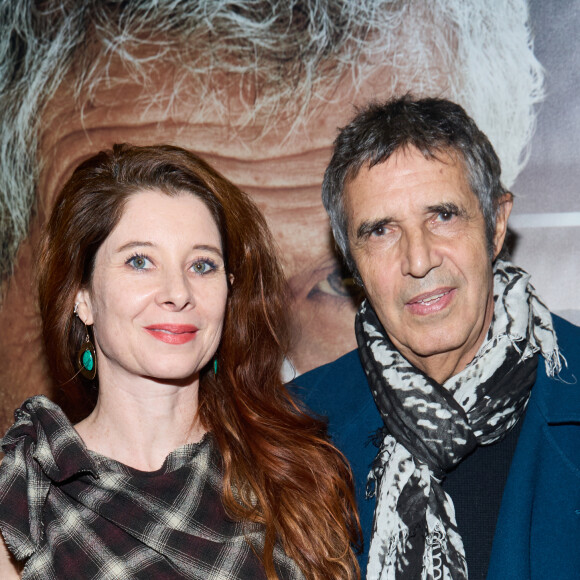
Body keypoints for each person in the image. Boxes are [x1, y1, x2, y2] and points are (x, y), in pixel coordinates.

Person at [0, 0, 544, 430]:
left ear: (492, 224)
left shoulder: (323, 489)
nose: (268, 389)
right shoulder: (27, 510)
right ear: (70, 294)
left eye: (339, 279)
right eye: (141, 259)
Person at [0, 144, 361, 579]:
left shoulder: (295, 472)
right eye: (140, 261)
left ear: (228, 293)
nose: (178, 291)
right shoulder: (27, 492)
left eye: (202, 265)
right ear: (83, 297)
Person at [294, 95, 580, 579]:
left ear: (495, 224)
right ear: (352, 262)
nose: (419, 259)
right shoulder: (292, 430)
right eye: (381, 230)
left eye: (443, 216)